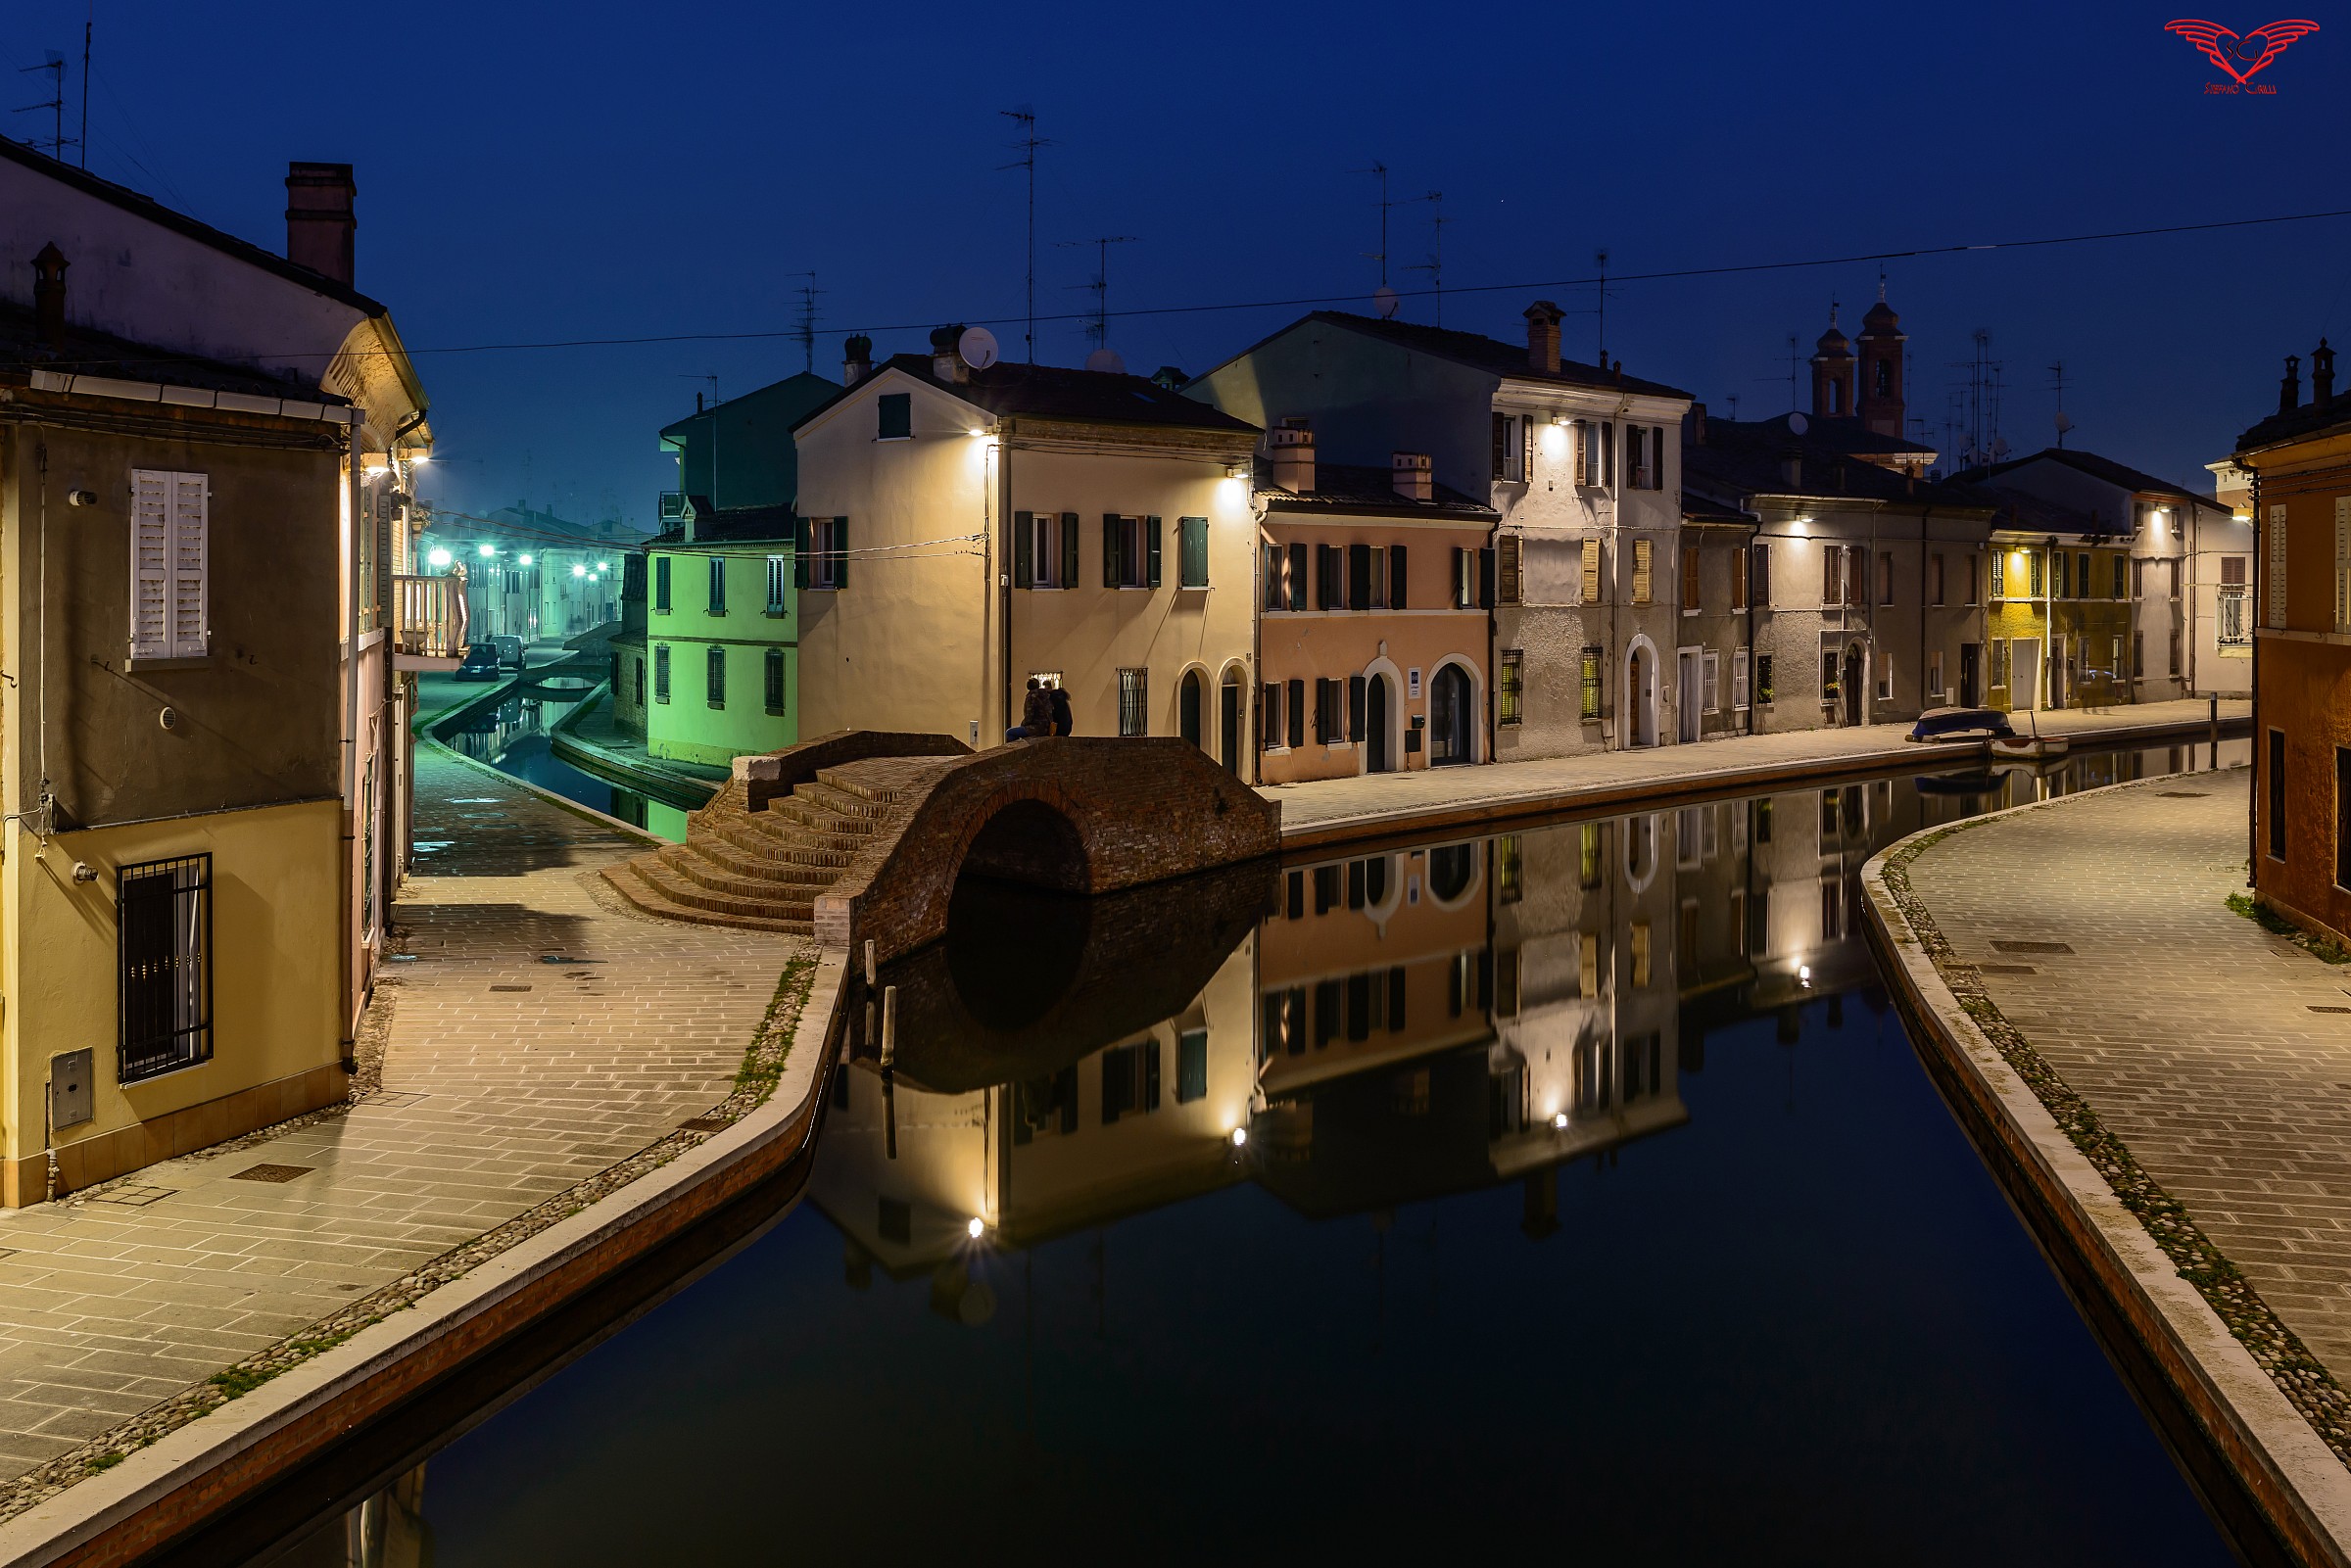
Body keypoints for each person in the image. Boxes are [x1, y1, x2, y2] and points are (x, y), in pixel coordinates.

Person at [1005, 677, 1054, 741]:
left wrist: (1023, 724)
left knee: (1009, 732)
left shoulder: (1031, 697)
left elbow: (1029, 716)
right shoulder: (1046, 696)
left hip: (1036, 728)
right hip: (1046, 728)